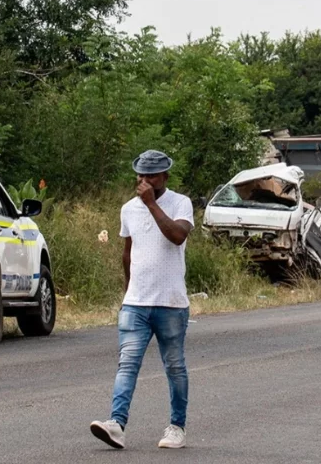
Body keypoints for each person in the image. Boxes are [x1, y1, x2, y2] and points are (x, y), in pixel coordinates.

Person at [91, 150, 194, 450]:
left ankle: (177, 427)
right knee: (127, 364)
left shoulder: (180, 203)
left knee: (174, 366)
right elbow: (128, 252)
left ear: (165, 177)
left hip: (171, 303)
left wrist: (151, 204)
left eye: (152, 176)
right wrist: (127, 292)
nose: (145, 181)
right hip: (136, 302)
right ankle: (116, 424)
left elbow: (177, 236)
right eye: (141, 175)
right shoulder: (128, 209)